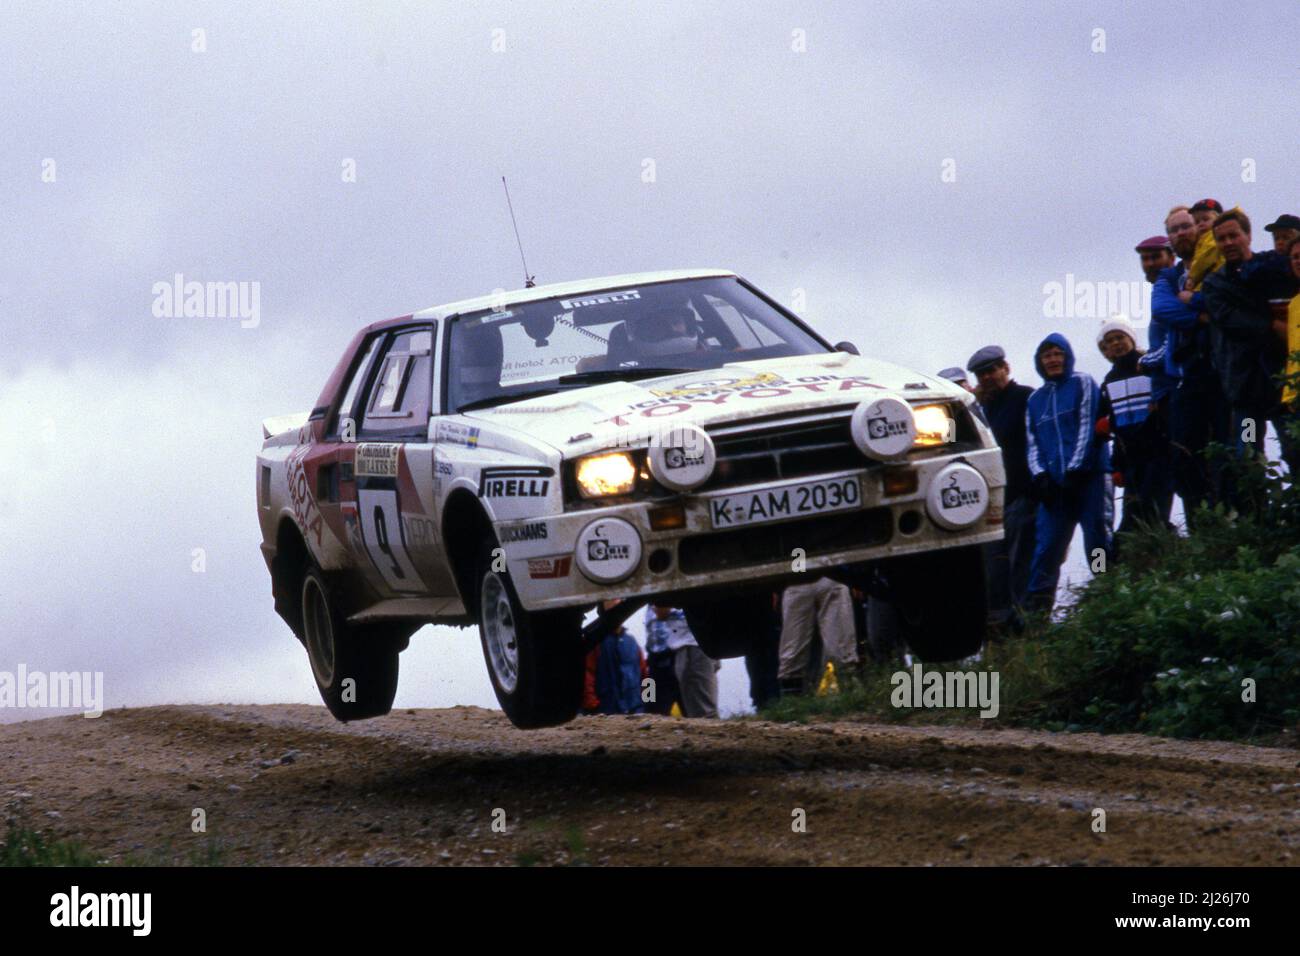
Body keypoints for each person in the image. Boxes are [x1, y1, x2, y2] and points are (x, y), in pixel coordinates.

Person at [1142, 204, 1229, 519]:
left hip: (1224, 373)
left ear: (1198, 228)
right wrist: (1205, 318)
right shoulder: (1170, 276)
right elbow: (1164, 310)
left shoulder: (1219, 264)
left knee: (1229, 452)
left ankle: (1243, 528)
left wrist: (1201, 304)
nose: (1180, 233)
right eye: (1173, 230)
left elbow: (1229, 302)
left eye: (1185, 226)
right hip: (1185, 377)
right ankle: (1203, 530)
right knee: (1184, 456)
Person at [1203, 209, 1300, 470]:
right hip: (1244, 388)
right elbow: (1230, 319)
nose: (1228, 243)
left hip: (1282, 382)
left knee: (1294, 448)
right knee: (1247, 455)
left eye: (1233, 235)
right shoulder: (1214, 283)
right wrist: (1272, 325)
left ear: (1248, 235)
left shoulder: (1273, 269)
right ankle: (1253, 511)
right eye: (1221, 239)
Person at [1024, 334, 1112, 612]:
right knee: (1047, 547)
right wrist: (1040, 477)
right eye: (1047, 355)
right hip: (1055, 488)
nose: (1053, 360)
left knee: (1096, 537)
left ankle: (1107, 588)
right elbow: (1032, 442)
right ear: (1040, 362)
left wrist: (1076, 469)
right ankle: (1038, 612)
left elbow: (1087, 426)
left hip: (1090, 480)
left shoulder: (1082, 383)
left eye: (1057, 354)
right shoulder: (1034, 400)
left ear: (1068, 356)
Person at [967, 344, 1035, 631]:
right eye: (982, 374)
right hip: (993, 504)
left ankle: (1027, 626)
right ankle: (1001, 633)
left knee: (1022, 565)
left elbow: (1036, 445)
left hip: (1023, 496)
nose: (988, 377)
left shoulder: (1026, 397)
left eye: (993, 370)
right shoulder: (982, 411)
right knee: (995, 570)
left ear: (1006, 368)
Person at [1096, 315, 1171, 542]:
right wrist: (1116, 465)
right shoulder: (1109, 381)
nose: (1116, 343)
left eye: (1120, 337)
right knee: (1134, 509)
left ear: (1131, 338)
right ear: (1105, 350)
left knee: (1153, 507)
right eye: (1110, 341)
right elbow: (1114, 429)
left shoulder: (1148, 366)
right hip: (1131, 458)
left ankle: (1161, 548)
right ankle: (1139, 556)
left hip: (1158, 450)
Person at [776, 577, 859, 696]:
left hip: (830, 575)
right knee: (792, 653)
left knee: (842, 651)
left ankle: (852, 700)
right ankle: (793, 706)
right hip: (796, 579)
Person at [644, 604, 719, 718]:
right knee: (650, 706)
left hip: (679, 653)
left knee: (693, 705)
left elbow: (662, 612)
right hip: (654, 661)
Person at [583, 602, 648, 715]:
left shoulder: (632, 642)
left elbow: (645, 675)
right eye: (612, 607)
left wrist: (649, 702)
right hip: (605, 713)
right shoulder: (594, 643)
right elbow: (586, 676)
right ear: (602, 611)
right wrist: (592, 706)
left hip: (636, 711)